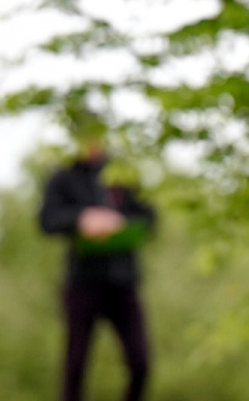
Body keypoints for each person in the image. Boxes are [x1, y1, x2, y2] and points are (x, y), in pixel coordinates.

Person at [39, 130, 156, 401]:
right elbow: (47, 220)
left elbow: (149, 216)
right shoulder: (63, 176)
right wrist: (81, 218)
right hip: (82, 281)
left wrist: (119, 223)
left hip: (123, 281)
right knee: (75, 363)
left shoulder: (122, 174)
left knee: (141, 362)